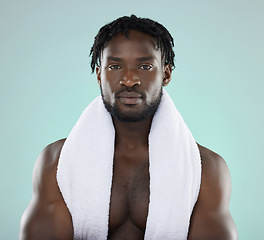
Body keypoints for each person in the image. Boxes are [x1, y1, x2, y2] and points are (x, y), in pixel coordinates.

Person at [19, 15, 238, 240]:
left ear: (166, 73)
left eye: (144, 66)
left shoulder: (206, 169)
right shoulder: (58, 162)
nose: (129, 79)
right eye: (115, 66)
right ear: (99, 75)